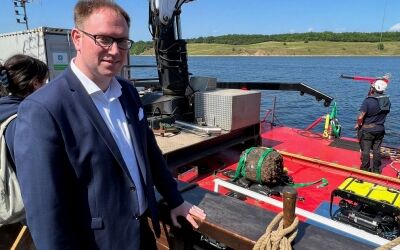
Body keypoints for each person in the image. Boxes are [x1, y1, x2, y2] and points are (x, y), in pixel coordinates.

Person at [14, 1, 206, 249]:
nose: (115, 51)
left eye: (122, 41)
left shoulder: (127, 92)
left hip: (142, 233)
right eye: (104, 39)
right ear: (77, 38)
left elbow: (149, 152)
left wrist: (175, 199)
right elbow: (44, 210)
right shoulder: (42, 109)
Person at [0, 54, 48, 248]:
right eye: (45, 82)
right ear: (35, 84)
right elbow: (37, 181)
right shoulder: (23, 121)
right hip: (21, 220)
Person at [354, 79, 391, 173]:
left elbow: (361, 116)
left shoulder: (368, 101)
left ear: (374, 88)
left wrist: (358, 124)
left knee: (365, 150)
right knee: (377, 150)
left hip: (367, 130)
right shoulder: (387, 101)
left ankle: (365, 169)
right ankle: (376, 170)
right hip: (380, 129)